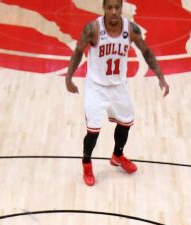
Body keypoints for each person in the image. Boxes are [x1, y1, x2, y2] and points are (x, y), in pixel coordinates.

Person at [64, 0, 169, 187]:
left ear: (122, 8)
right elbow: (78, 51)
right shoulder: (92, 29)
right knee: (93, 131)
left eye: (117, 7)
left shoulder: (132, 29)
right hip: (96, 87)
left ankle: (117, 155)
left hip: (119, 86)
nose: (113, 11)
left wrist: (160, 76)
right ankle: (86, 163)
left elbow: (146, 52)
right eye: (110, 7)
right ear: (104, 8)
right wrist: (69, 78)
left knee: (126, 123)